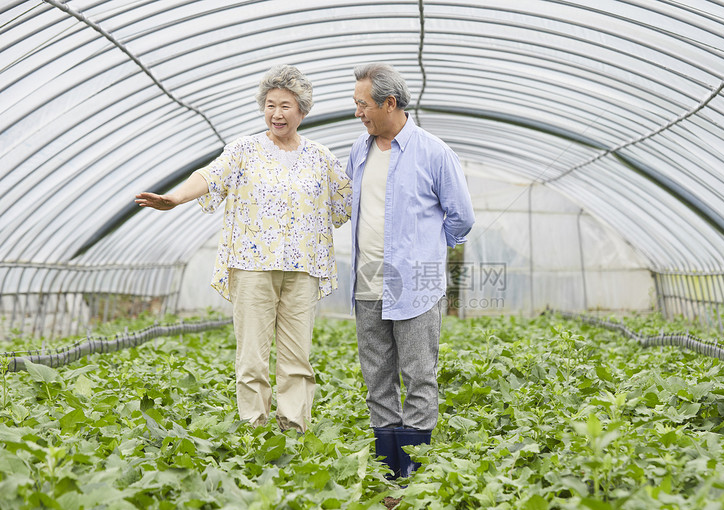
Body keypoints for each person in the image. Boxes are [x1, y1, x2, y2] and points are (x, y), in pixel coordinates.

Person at [135, 64, 351, 434]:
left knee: (297, 357)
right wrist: (174, 198)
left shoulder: (320, 157)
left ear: (302, 110)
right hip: (253, 265)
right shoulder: (244, 150)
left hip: (304, 268)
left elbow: (348, 200)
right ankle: (254, 428)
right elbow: (209, 175)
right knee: (252, 355)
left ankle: (294, 429)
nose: (276, 114)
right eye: (270, 105)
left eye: (285, 105)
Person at [347, 63, 475, 479]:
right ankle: (389, 470)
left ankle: (414, 475)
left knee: (419, 375)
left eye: (363, 105)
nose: (358, 113)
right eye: (355, 105)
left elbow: (462, 217)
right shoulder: (358, 151)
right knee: (377, 377)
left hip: (416, 286)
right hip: (368, 282)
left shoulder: (433, 152)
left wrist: (429, 251)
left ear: (389, 102)